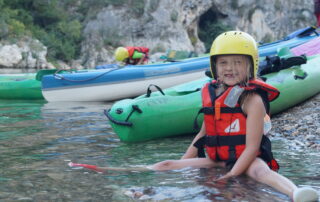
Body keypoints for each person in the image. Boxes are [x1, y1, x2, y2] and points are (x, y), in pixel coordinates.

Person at [74, 31, 319, 202]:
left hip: (247, 158)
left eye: (237, 62)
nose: (230, 68)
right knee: (165, 165)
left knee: (262, 174)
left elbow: (252, 147)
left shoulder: (252, 99)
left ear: (250, 66)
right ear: (214, 66)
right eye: (223, 63)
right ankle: (110, 170)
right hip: (218, 158)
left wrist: (231, 176)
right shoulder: (213, 94)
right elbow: (204, 134)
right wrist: (181, 165)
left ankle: (296, 193)